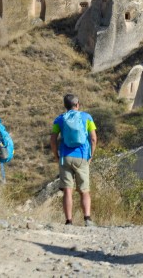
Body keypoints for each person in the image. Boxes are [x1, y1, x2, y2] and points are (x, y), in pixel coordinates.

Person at [50, 94, 97, 226]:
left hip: (65, 157)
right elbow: (93, 138)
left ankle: (69, 221)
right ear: (77, 105)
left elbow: (53, 139)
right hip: (82, 157)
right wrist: (91, 155)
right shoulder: (87, 117)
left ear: (65, 106)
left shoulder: (59, 119)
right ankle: (87, 219)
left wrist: (56, 155)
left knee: (67, 190)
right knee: (84, 190)